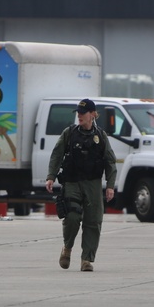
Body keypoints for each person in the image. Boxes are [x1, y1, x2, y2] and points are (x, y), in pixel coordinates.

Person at [45, 99, 117, 272]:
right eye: (78, 113)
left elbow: (110, 161)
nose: (79, 116)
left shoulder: (101, 136)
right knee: (72, 216)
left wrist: (110, 186)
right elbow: (56, 154)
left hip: (93, 183)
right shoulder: (69, 133)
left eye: (83, 113)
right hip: (72, 182)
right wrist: (50, 176)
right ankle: (67, 248)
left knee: (93, 222)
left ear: (92, 114)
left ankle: (86, 259)